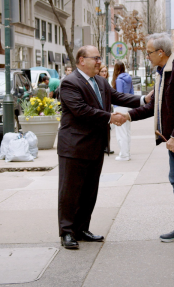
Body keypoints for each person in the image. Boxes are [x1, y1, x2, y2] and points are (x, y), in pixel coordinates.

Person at [117, 33, 174, 251]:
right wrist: (127, 116)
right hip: (172, 138)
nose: (146, 56)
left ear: (160, 52)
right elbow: (153, 107)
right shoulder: (162, 73)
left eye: (149, 52)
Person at [57, 45, 149, 250]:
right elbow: (81, 110)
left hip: (96, 145)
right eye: (95, 58)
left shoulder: (100, 81)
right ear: (81, 60)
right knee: (70, 191)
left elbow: (118, 97)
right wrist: (110, 117)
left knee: (89, 191)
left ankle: (82, 229)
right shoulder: (69, 83)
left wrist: (144, 99)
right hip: (74, 147)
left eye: (100, 58)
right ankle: (67, 232)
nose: (99, 61)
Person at [111, 62, 133, 161]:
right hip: (128, 106)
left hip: (120, 107)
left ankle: (124, 155)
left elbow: (119, 96)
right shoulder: (128, 78)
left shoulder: (119, 80)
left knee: (121, 132)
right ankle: (127, 153)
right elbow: (131, 93)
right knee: (127, 131)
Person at [98, 65, 114, 154]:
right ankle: (103, 146)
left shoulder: (106, 82)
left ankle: (107, 146)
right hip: (101, 111)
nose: (104, 73)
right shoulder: (97, 82)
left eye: (105, 71)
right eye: (102, 71)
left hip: (107, 110)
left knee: (108, 129)